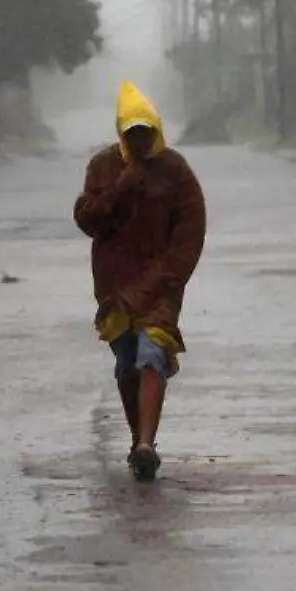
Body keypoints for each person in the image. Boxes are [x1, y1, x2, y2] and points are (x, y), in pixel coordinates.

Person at [72, 81, 207, 482]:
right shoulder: (103, 168)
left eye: (146, 131)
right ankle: (137, 441)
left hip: (161, 286)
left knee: (153, 354)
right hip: (116, 287)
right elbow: (88, 220)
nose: (140, 139)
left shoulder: (176, 171)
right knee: (127, 364)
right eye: (132, 133)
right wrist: (119, 190)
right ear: (121, 132)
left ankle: (148, 443)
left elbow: (190, 230)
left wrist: (168, 278)